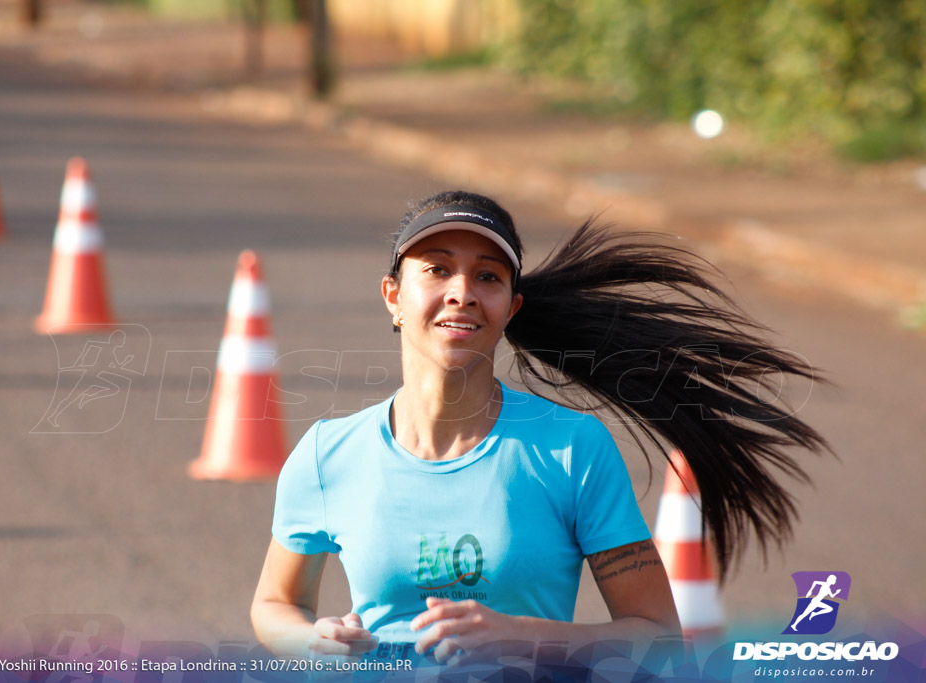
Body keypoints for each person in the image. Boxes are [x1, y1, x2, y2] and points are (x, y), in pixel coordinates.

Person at [250, 190, 829, 664]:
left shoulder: (571, 448)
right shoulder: (330, 453)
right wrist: (314, 640)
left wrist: (522, 636)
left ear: (511, 308)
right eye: (437, 270)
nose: (462, 293)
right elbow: (276, 604)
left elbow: (656, 636)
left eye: (488, 276)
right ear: (393, 297)